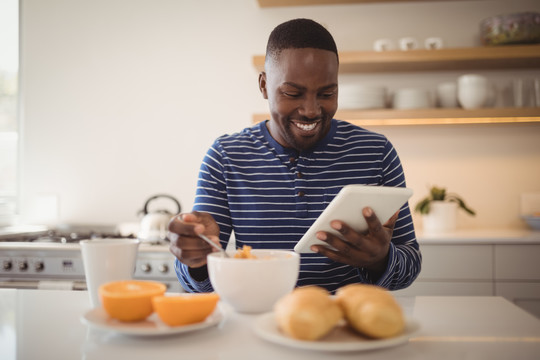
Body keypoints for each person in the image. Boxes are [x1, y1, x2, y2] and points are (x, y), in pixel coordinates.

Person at [168, 18, 421, 293]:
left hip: (346, 324)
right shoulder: (226, 157)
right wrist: (195, 260)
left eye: (327, 93)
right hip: (257, 321)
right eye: (292, 92)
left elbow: (410, 264)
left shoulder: (376, 152)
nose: (311, 110)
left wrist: (381, 260)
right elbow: (197, 285)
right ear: (264, 85)